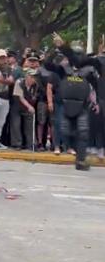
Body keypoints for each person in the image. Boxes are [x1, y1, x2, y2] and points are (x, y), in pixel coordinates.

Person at [47, 34, 100, 170]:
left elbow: (97, 87)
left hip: (82, 105)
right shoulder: (64, 69)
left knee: (82, 132)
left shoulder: (89, 69)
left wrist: (97, 101)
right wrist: (55, 51)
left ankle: (81, 160)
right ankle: (75, 152)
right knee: (65, 131)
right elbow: (47, 65)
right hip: (65, 106)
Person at [12, 68, 40, 150]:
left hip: (28, 105)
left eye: (35, 77)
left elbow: (34, 97)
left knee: (30, 125)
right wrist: (29, 106)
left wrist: (31, 107)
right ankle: (17, 144)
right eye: (32, 77)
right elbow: (21, 97)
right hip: (17, 105)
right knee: (16, 124)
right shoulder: (19, 82)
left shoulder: (36, 85)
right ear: (27, 76)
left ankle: (31, 144)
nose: (34, 79)